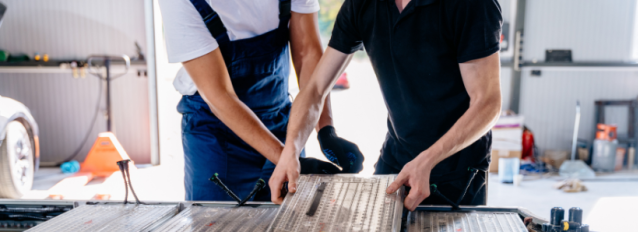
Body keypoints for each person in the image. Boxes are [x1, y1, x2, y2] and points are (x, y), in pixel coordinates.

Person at [269, 0, 503, 210]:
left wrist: (427, 160)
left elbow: (487, 104)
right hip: (396, 159)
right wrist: (291, 150)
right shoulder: (362, 5)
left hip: (456, 172)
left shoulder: (473, 5)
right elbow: (315, 88)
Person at [157, 0, 364, 201]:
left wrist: (325, 130)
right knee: (217, 228)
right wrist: (290, 160)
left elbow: (307, 53)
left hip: (282, 122)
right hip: (215, 134)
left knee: (288, 227)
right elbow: (220, 96)